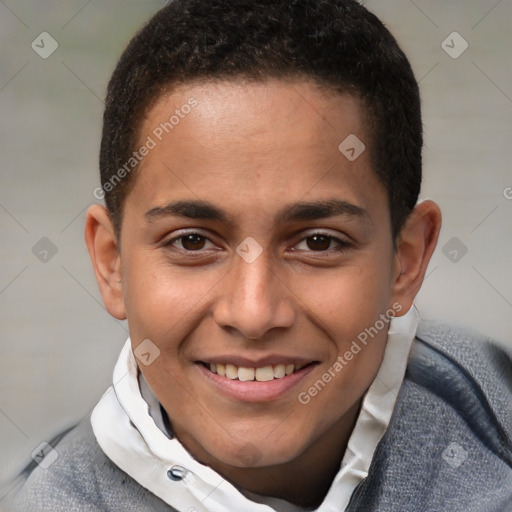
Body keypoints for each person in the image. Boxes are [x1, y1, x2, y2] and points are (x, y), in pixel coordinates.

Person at [5, 0, 512, 510]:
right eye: (192, 242)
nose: (253, 314)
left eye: (318, 242)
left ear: (407, 260)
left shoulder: (490, 406)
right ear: (112, 264)